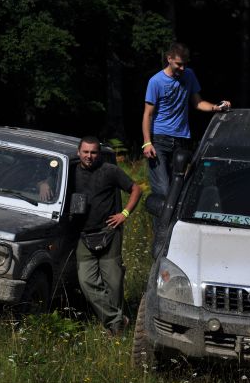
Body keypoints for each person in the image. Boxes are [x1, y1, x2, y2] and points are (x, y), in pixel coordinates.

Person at [142, 42, 231, 197]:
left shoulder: (189, 75)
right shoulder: (156, 81)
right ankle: (160, 222)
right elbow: (147, 114)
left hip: (181, 139)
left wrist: (217, 107)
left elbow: (198, 103)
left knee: (179, 189)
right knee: (163, 190)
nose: (182, 68)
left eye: (185, 64)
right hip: (160, 140)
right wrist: (147, 142)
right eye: (179, 64)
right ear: (169, 59)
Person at [74, 136, 141, 336]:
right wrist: (44, 184)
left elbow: (136, 189)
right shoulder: (71, 171)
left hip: (109, 233)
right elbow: (51, 177)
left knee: (113, 282)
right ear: (79, 152)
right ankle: (117, 319)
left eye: (93, 152)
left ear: (99, 154)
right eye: (85, 152)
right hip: (83, 235)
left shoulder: (110, 171)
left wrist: (125, 214)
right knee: (86, 282)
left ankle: (115, 328)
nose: (89, 156)